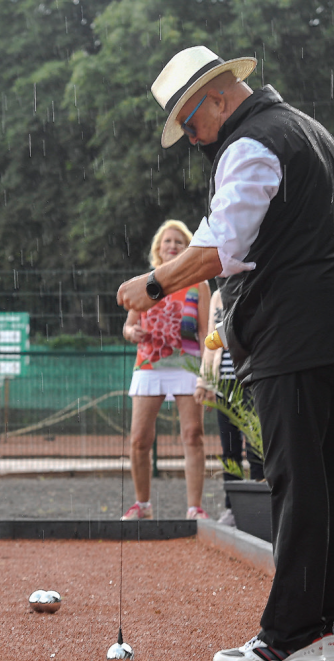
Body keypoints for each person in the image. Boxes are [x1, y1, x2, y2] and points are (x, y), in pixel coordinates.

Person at [117, 46, 334, 661]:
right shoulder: (310, 132)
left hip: (294, 333)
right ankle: (325, 630)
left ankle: (287, 634)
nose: (190, 138)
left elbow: (220, 251)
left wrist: (152, 283)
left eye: (189, 122)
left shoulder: (248, 143)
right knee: (327, 477)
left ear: (216, 95)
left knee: (296, 479)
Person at [121, 220, 211, 521]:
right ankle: (142, 506)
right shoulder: (147, 282)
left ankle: (194, 509)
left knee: (193, 434)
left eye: (179, 242)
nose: (172, 246)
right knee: (139, 439)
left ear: (188, 250)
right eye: (167, 241)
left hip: (187, 363)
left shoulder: (199, 284)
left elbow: (205, 332)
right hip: (149, 364)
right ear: (158, 248)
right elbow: (129, 324)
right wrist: (131, 332)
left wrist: (206, 375)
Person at [195, 286, 264, 526]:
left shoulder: (258, 284)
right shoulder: (218, 295)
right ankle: (232, 508)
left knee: (257, 447)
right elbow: (212, 342)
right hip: (224, 384)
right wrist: (204, 381)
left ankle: (261, 508)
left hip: (254, 380)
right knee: (230, 449)